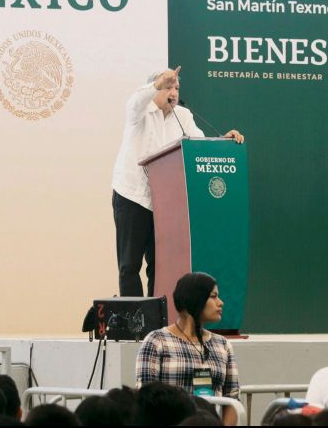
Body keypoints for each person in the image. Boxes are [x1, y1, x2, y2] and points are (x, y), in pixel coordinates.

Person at [112, 66, 244, 296]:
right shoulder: (140, 111)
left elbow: (199, 145)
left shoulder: (183, 116)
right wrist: (158, 82)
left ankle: (157, 323)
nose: (173, 92)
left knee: (160, 267)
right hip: (132, 195)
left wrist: (224, 141)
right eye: (167, 87)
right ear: (154, 89)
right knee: (129, 265)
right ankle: (134, 325)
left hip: (165, 202)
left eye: (176, 87)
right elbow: (136, 100)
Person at [136, 272, 240, 426]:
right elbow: (146, 399)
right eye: (213, 296)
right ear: (195, 299)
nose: (221, 302)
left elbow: (232, 400)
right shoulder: (157, 341)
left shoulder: (222, 345)